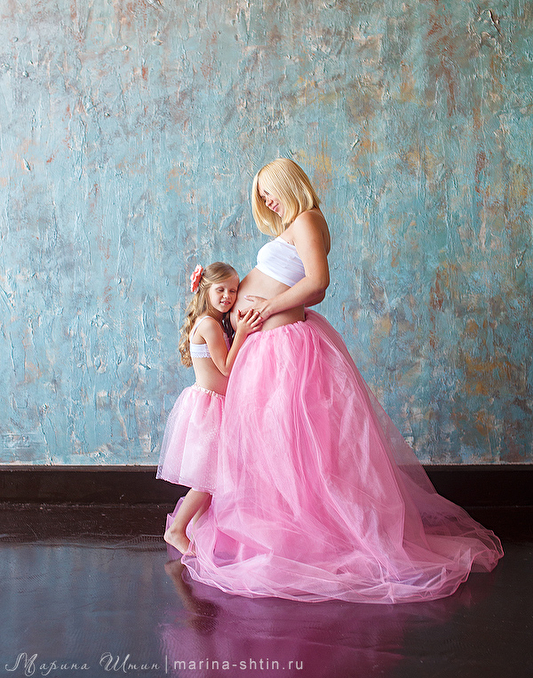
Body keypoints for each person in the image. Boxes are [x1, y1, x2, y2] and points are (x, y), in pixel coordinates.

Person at [177, 159, 504, 604]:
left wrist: (265, 308)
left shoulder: (308, 219)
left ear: (289, 184)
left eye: (270, 193)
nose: (268, 203)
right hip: (266, 347)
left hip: (284, 348)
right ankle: (282, 532)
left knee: (298, 446)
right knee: (274, 446)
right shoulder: (295, 225)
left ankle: (310, 537)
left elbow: (318, 284)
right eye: (262, 198)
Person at [157, 262, 261, 554]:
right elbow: (226, 367)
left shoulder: (213, 322)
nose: (227, 296)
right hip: (210, 408)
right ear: (206, 290)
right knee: (207, 478)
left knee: (212, 479)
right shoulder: (209, 325)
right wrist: (243, 332)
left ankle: (199, 533)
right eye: (221, 290)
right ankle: (176, 530)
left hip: (217, 404)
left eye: (233, 290)